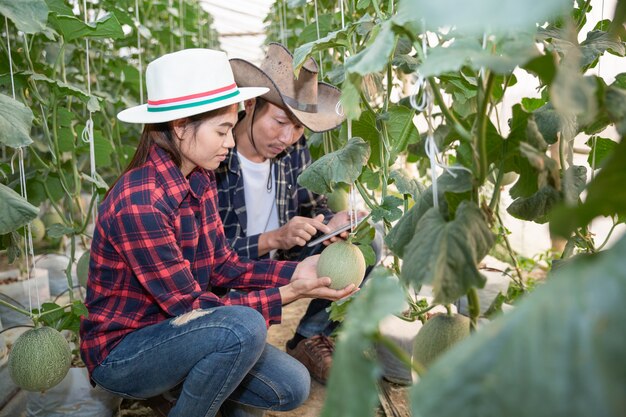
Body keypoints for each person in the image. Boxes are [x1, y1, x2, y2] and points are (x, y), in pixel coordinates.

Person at [79, 48, 356, 417]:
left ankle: (182, 388)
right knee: (244, 327)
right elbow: (192, 309)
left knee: (292, 385)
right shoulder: (140, 201)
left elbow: (224, 266)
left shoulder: (200, 175)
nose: (230, 141)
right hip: (126, 353)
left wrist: (296, 272)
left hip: (182, 334)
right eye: (223, 130)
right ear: (179, 126)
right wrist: (291, 292)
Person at [215, 43, 380, 385]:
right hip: (232, 274)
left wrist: (329, 223)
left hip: (287, 258)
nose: (287, 137)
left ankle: (308, 337)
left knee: (367, 246)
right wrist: (275, 237)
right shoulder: (216, 156)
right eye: (279, 122)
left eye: (299, 128)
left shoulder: (294, 150)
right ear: (250, 105)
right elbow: (213, 257)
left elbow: (312, 205)